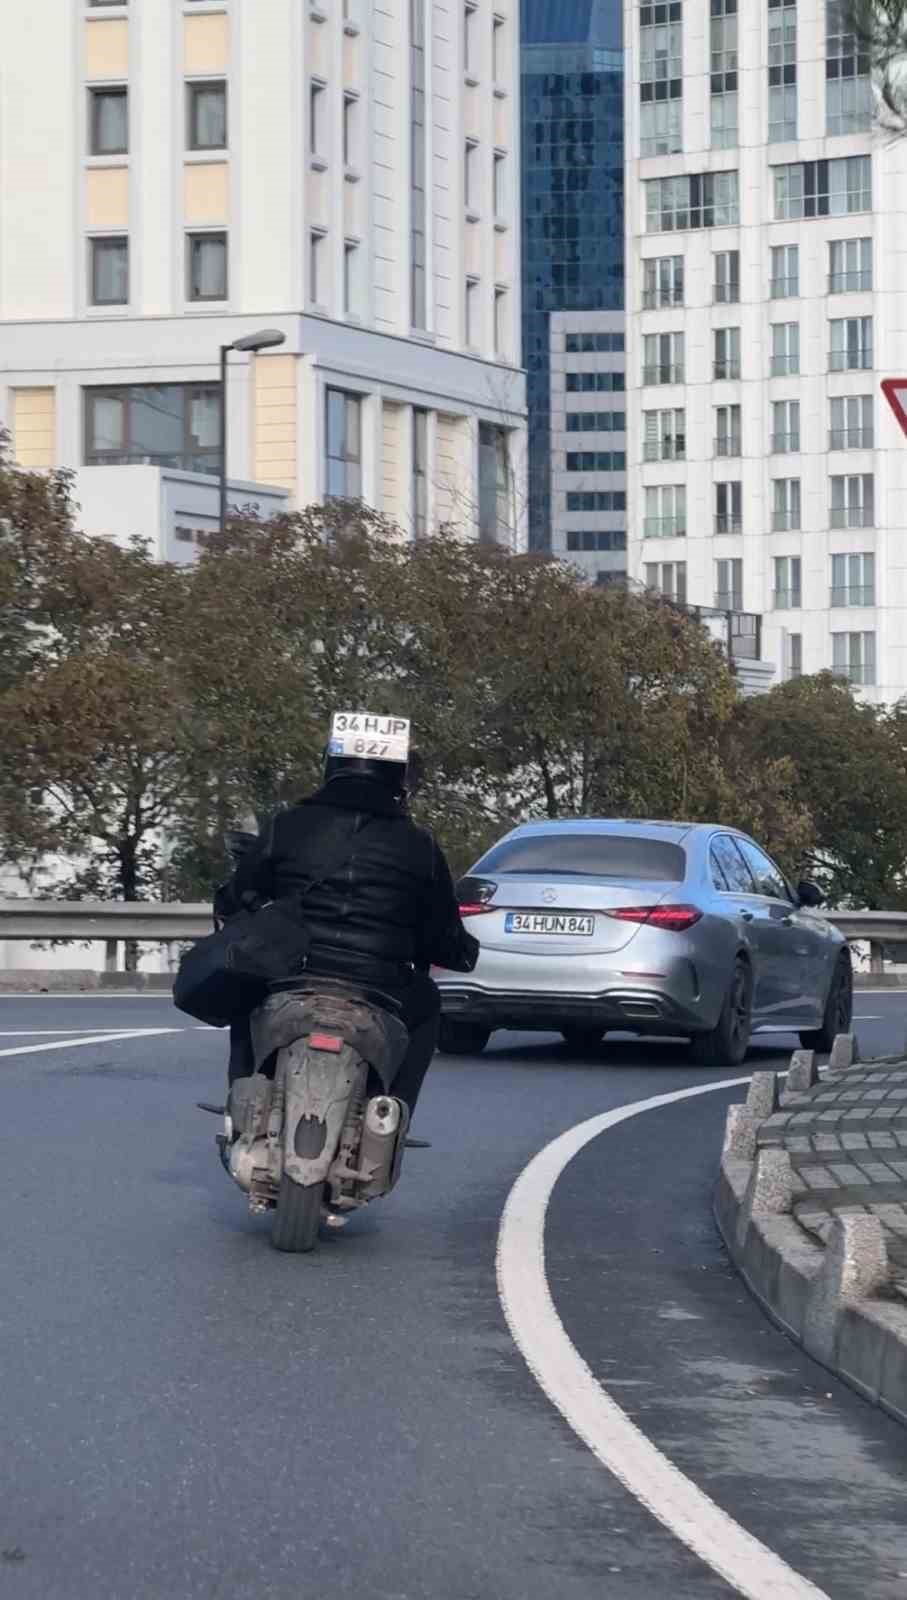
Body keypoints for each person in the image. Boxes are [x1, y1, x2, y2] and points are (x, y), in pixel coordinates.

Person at [213, 718, 478, 1129]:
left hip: (290, 975)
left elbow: (239, 894)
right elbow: (442, 933)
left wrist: (241, 903)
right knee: (427, 1004)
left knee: (244, 992)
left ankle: (241, 1103)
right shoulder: (419, 845)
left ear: (330, 764)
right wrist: (458, 950)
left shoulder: (287, 825)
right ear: (399, 777)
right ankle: (391, 1117)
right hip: (381, 985)